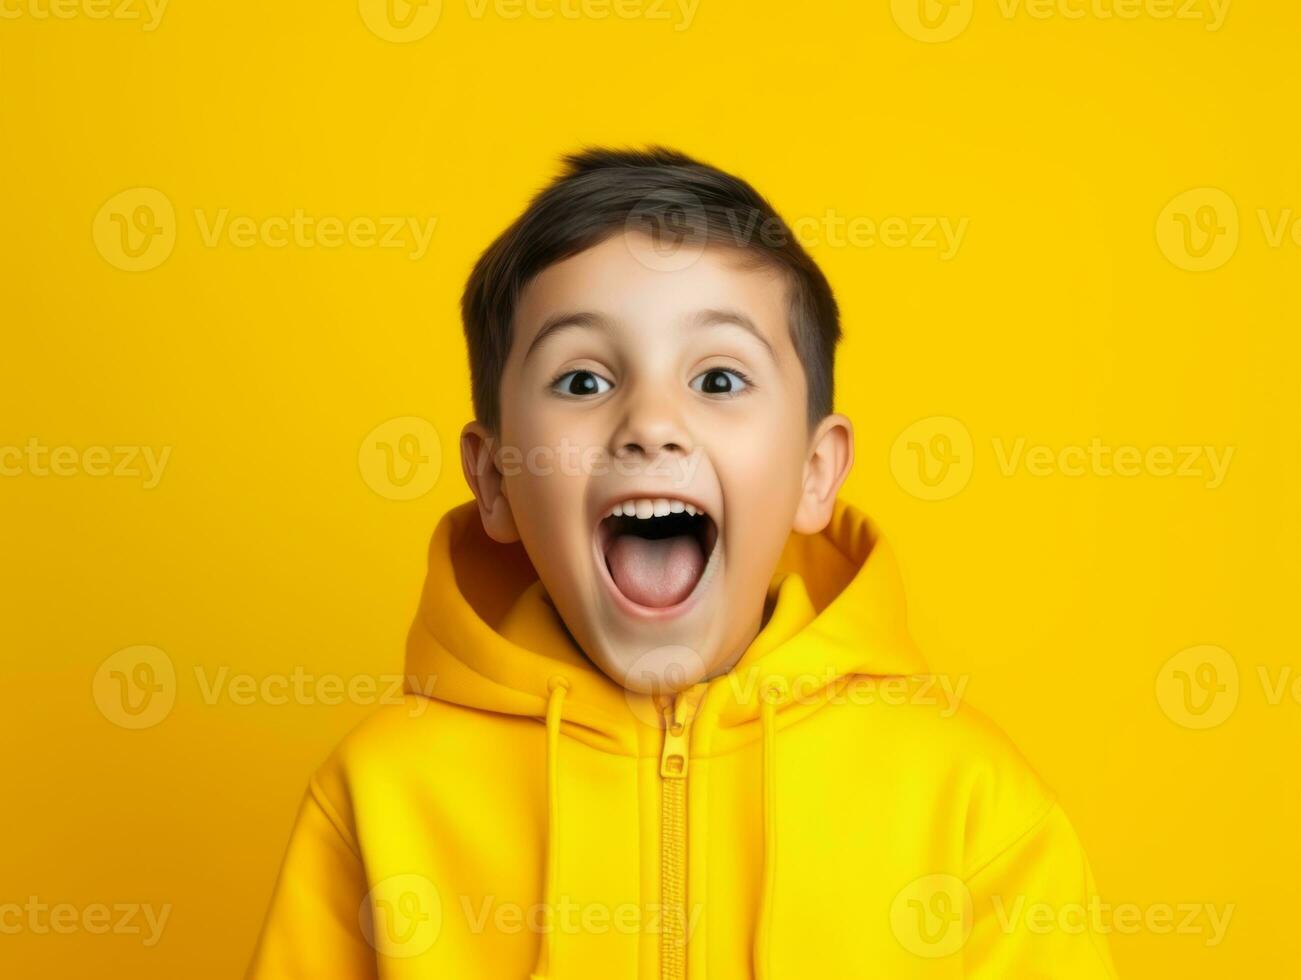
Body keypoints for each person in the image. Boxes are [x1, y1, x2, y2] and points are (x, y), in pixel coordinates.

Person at [246, 146, 1117, 978]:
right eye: (583, 381)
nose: (649, 422)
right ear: (498, 478)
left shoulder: (967, 801)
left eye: (717, 379)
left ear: (815, 474)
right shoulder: (379, 798)